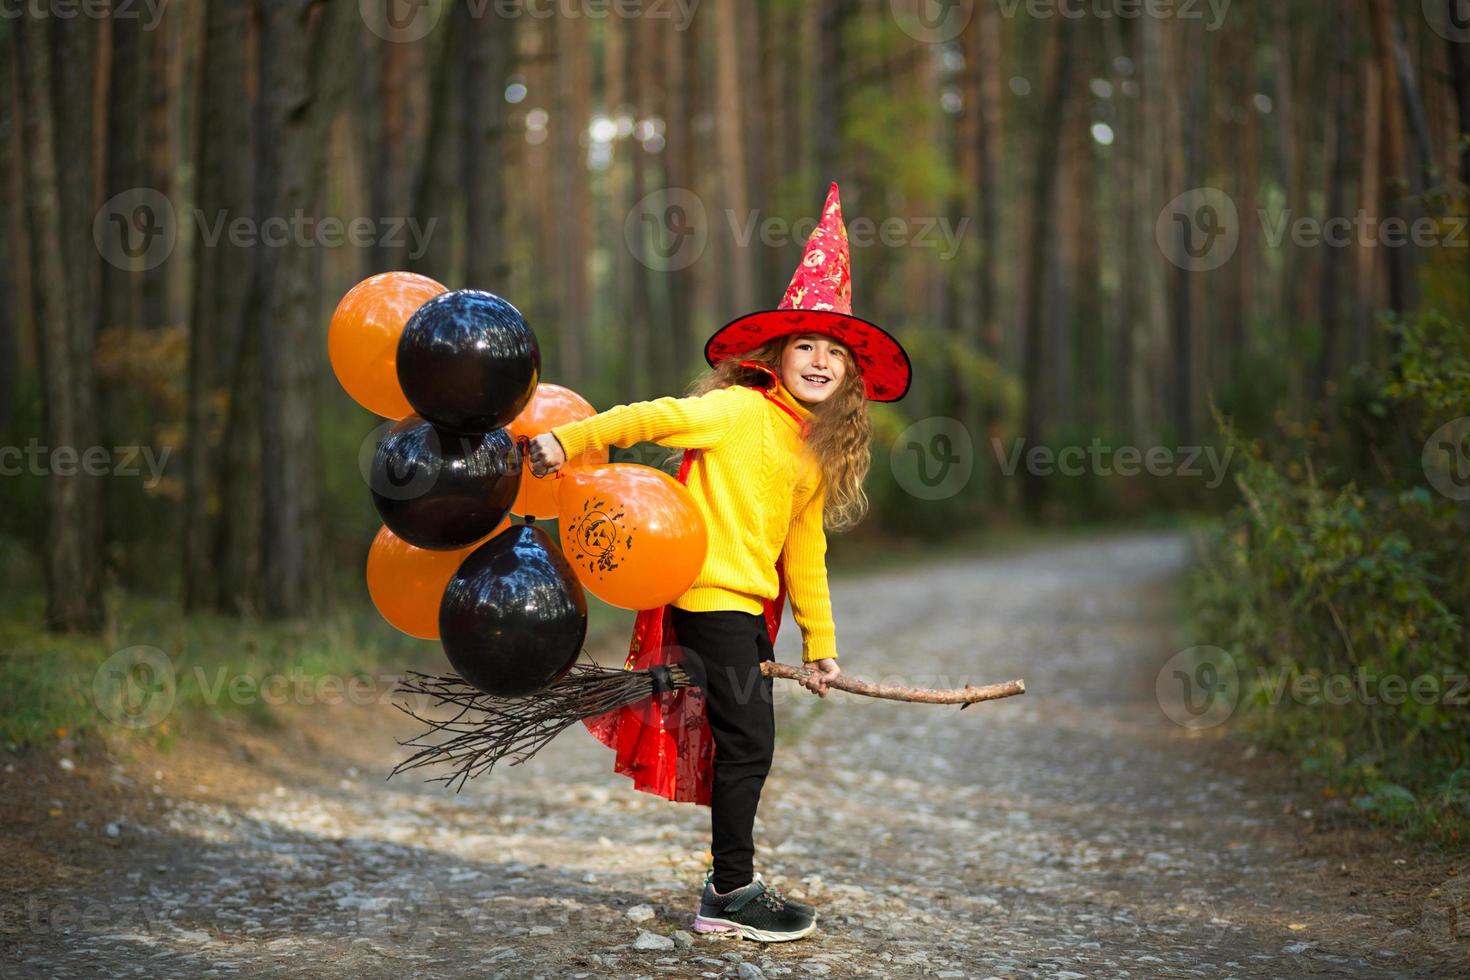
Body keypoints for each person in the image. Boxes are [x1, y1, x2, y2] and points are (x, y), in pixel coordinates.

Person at [527, 182, 911, 942]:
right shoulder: (736, 411)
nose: (820, 360)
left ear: (850, 378)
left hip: (745, 609)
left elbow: (806, 551)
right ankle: (732, 890)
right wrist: (568, 441)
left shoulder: (810, 453)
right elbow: (654, 416)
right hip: (707, 596)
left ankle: (728, 883)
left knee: (744, 741)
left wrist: (822, 646)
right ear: (777, 352)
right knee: (751, 743)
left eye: (835, 353)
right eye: (807, 344)